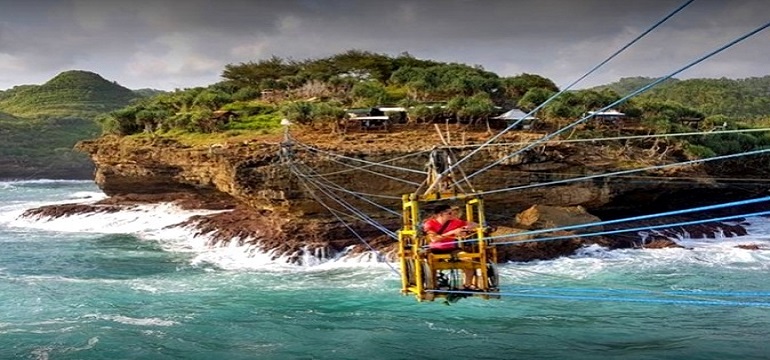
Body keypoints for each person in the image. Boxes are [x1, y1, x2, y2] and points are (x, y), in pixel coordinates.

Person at [423, 204, 479, 290]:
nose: (452, 215)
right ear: (440, 214)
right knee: (431, 263)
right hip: (435, 249)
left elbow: (475, 225)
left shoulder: (455, 222)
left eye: (452, 213)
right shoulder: (430, 223)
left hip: (452, 249)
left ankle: (467, 285)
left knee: (468, 260)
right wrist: (453, 232)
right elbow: (434, 239)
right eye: (449, 213)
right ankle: (433, 285)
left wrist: (466, 228)